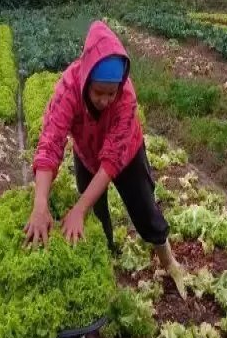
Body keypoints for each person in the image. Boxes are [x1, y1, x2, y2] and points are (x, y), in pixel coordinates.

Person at [24, 20, 185, 294]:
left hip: (126, 154)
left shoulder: (125, 98)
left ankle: (169, 261)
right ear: (86, 79)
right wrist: (40, 206)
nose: (105, 100)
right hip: (86, 153)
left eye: (111, 93)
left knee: (145, 210)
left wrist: (78, 208)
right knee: (95, 219)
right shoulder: (68, 89)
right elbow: (50, 143)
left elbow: (111, 162)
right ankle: (106, 260)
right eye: (98, 92)